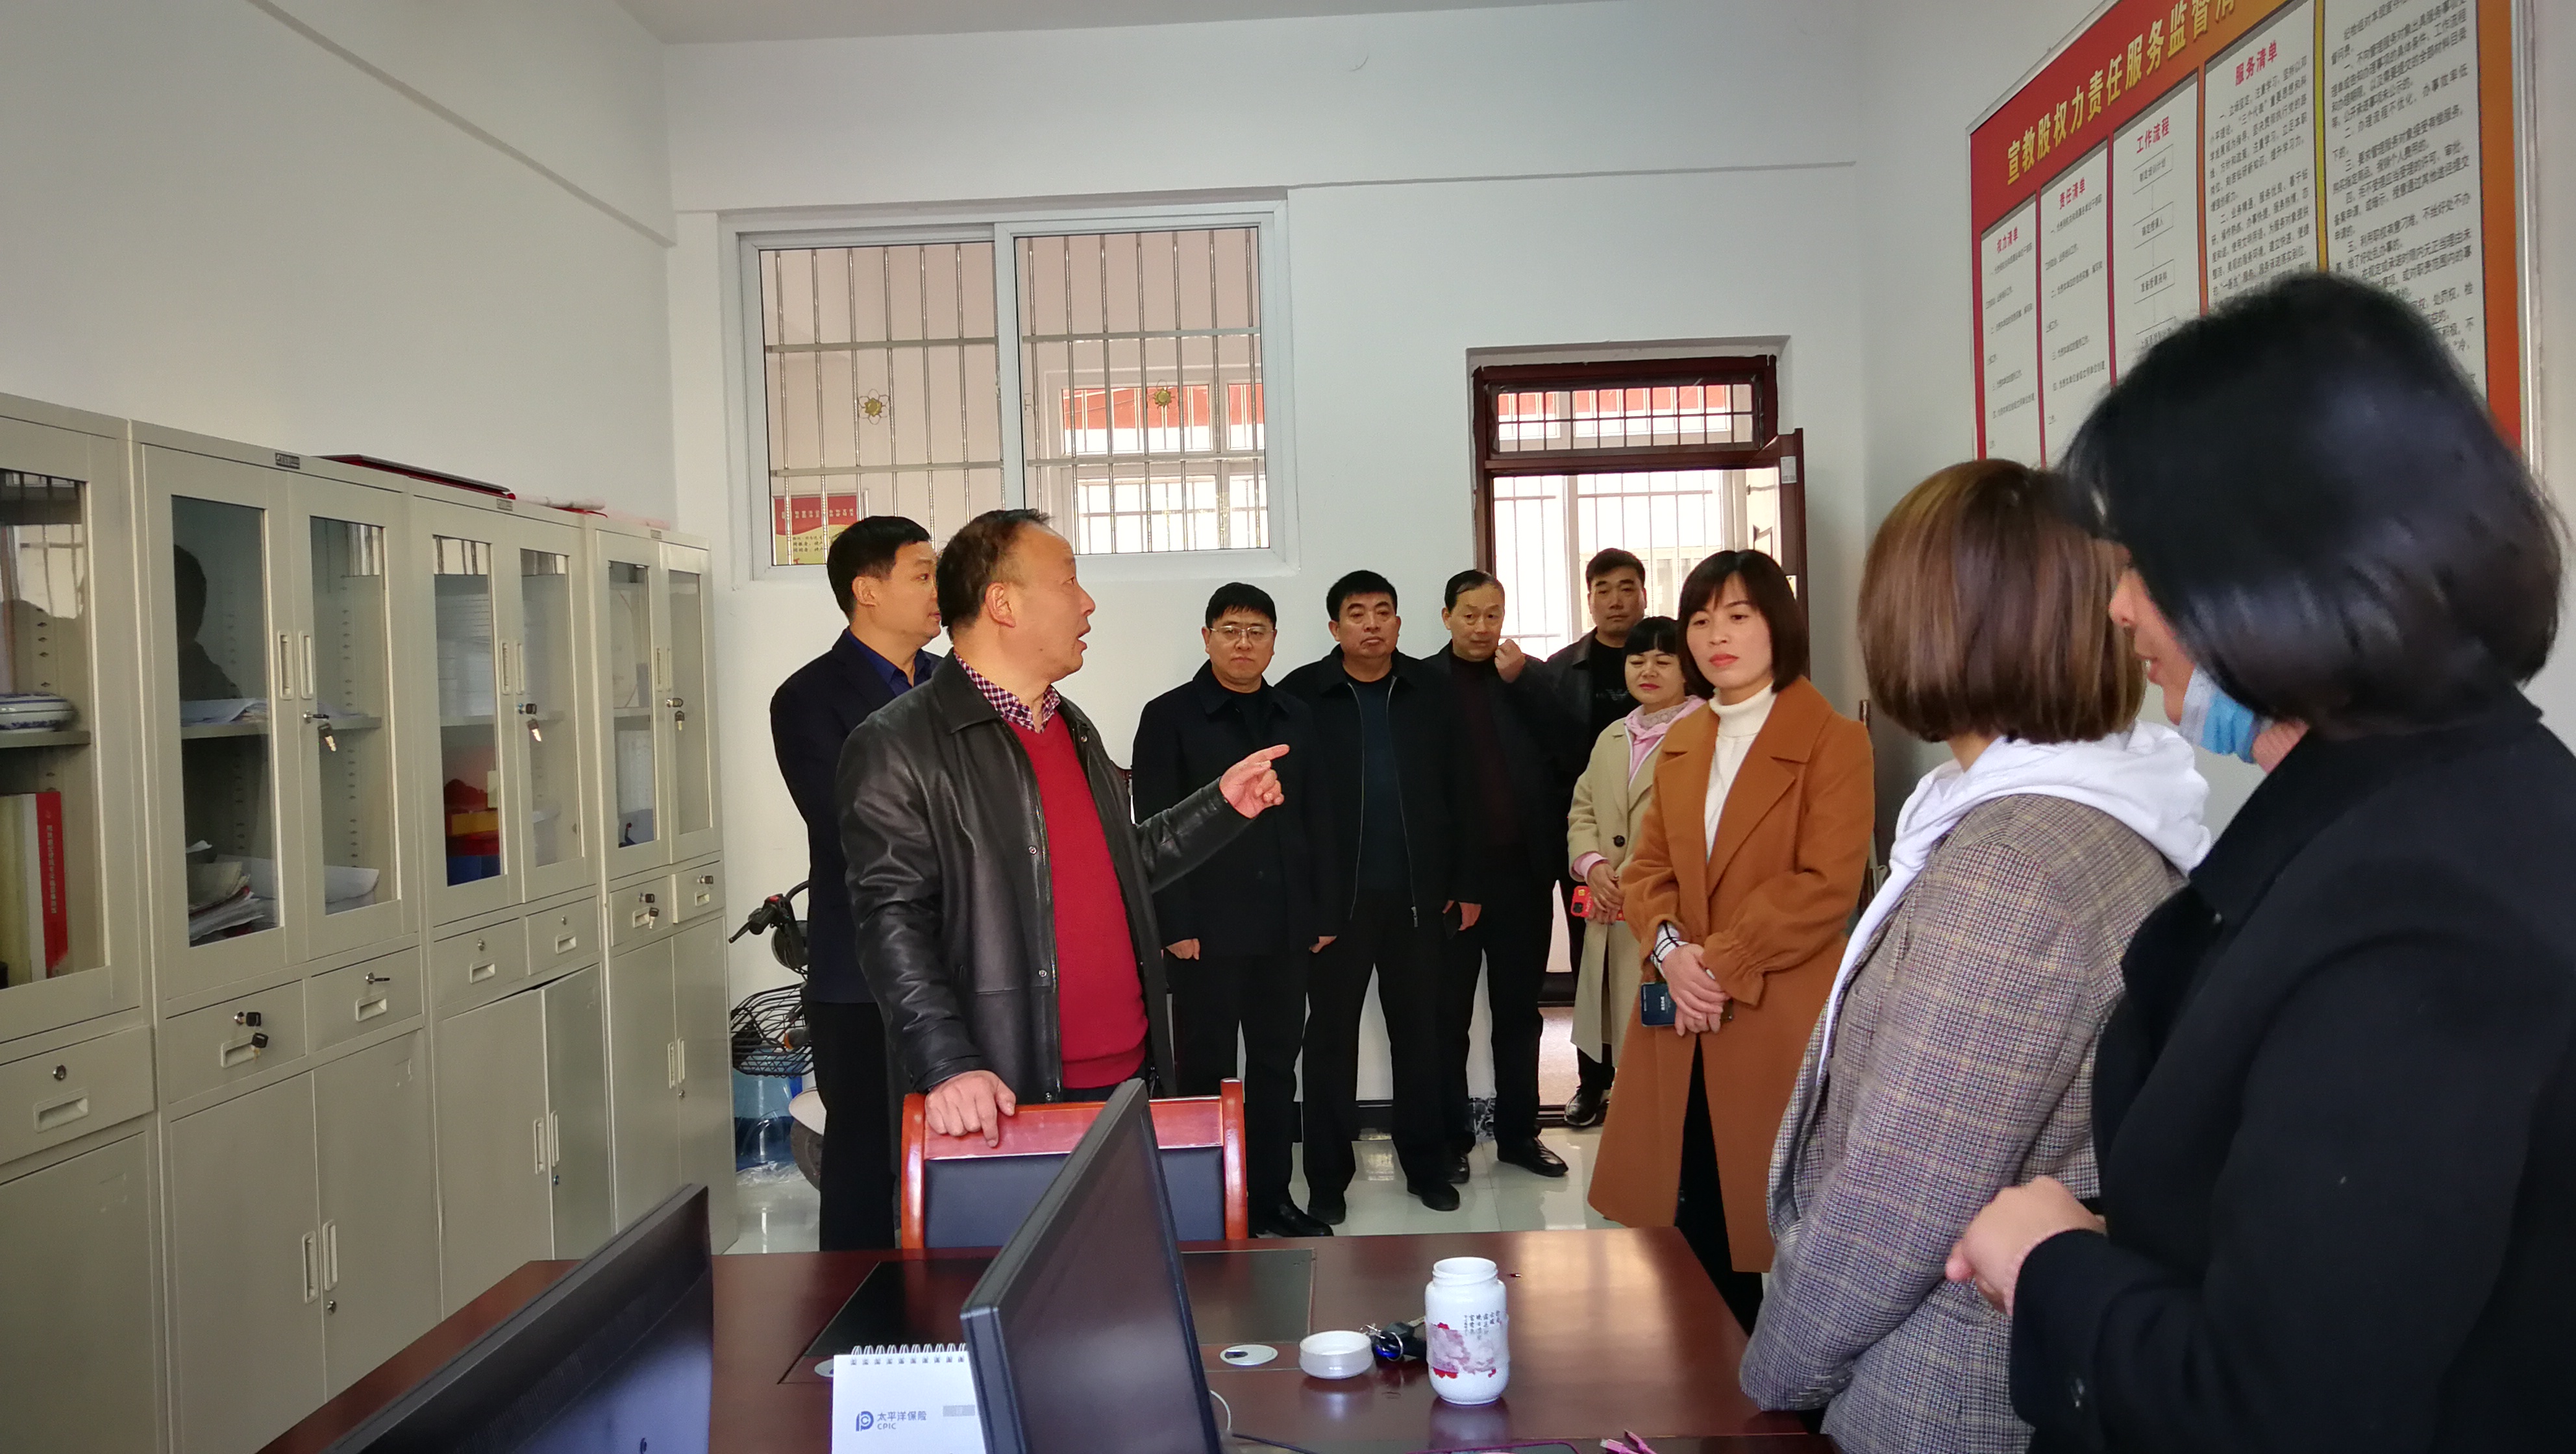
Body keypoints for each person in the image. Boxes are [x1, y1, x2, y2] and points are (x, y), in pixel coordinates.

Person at [1946, 273, 2576, 1451]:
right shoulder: (2428, 808)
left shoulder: (2432, 912)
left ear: (2274, 565)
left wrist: (2051, 1269)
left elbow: (2285, 1407)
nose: (2119, 610)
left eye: (2145, 564)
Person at [1739, 462, 2209, 1453]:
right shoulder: (2070, 810)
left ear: (1926, 626)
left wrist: (1772, 1374)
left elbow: (1899, 1192)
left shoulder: (2015, 867)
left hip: (1942, 1388)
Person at [839, 510, 1289, 1146]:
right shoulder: (898, 743)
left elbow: (1120, 866)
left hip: (1129, 1072)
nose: (1087, 603)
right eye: (1068, 582)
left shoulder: (1069, 724)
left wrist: (1220, 805)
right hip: (1006, 1091)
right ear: (1003, 604)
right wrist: (948, 1063)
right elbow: (892, 922)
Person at [1585, 549, 1872, 1335]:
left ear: (1777, 623)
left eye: (1738, 615)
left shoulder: (1833, 740)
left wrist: (1715, 962)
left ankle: (1785, 1379)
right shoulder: (1684, 741)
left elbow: (1825, 884)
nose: (1716, 635)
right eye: (1702, 618)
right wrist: (1670, 952)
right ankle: (1713, 1372)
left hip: (1773, 1007)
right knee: (1691, 1200)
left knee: (1778, 1208)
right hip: (1681, 1002)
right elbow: (1647, 869)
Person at [1131, 583, 1341, 1239]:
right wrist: (1173, 923)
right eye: (1230, 630)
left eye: (1257, 631)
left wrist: (1323, 912)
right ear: (1206, 638)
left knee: (1276, 1067)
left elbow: (1320, 817)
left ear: (1274, 641)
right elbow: (1152, 828)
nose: (1243, 642)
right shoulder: (1168, 716)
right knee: (1205, 1071)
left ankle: (1272, 1197)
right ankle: (1205, 1206)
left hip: (1284, 927)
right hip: (1206, 932)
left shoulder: (1295, 714)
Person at [1282, 571, 1483, 1216]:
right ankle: (1326, 1179)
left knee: (1421, 1036)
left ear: (1398, 622)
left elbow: (1462, 789)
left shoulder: (1431, 690)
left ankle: (1426, 1165)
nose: (1371, 623)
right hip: (1335, 907)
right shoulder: (1300, 696)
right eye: (1356, 613)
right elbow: (1287, 811)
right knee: (1329, 1042)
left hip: (1419, 901)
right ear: (1334, 626)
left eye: (1383, 611)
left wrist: (1466, 882)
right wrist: (1305, 901)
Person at [769, 517, 942, 1249]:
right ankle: (857, 1312)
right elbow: (849, 824)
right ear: (867, 590)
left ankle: (959, 1303)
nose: (939, 590)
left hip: (959, 956)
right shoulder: (808, 697)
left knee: (959, 1153)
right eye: (923, 574)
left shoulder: (955, 683)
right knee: (865, 1163)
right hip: (861, 969)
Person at [1431, 570, 1589, 1179]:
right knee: (1448, 1017)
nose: (1482, 627)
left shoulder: (1530, 677)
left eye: (1492, 614)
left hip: (1523, 874)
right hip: (1453, 884)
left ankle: (1520, 1135)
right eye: (1469, 614)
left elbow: (1573, 751)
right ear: (1446, 617)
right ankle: (1451, 1139)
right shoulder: (1424, 684)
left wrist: (1525, 683)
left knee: (1520, 1013)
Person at [1563, 617, 1697, 1132]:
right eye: (1638, 661)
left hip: (1667, 906)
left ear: (1687, 669)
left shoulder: (1704, 732)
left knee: (1663, 1022)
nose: (1648, 671)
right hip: (1608, 902)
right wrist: (1593, 865)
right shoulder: (1613, 736)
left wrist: (1635, 874)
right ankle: (1624, 1111)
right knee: (1616, 1017)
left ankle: (1665, 1124)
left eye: (1664, 661)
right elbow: (1583, 809)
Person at [1549, 548, 1650, 1122]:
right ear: (1589, 599)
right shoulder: (1562, 671)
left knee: (1651, 967)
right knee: (1593, 967)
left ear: (1643, 594)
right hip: (1590, 853)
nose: (1616, 600)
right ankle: (1593, 1082)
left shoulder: (1676, 663)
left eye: (1627, 587)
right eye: (1604, 589)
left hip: (1657, 858)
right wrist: (1586, 857)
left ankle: (1647, 1085)